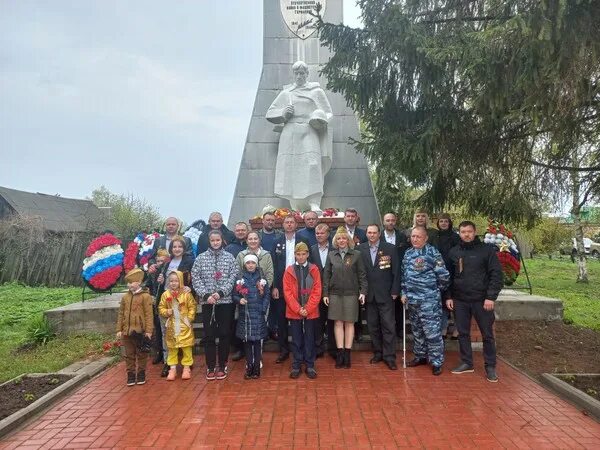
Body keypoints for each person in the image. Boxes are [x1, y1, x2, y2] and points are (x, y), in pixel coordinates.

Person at [266, 60, 333, 212]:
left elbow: (329, 112)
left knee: (313, 164)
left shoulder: (316, 91)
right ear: (293, 74)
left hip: (310, 129)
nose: (299, 76)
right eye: (296, 73)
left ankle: (314, 201)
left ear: (307, 74)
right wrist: (283, 114)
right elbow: (270, 113)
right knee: (290, 165)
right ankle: (294, 204)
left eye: (302, 73)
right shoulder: (286, 93)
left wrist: (320, 118)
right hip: (290, 131)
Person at [446, 221, 503, 382]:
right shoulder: (454, 252)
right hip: (460, 300)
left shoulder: (486, 251)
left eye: (469, 231)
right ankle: (466, 362)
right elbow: (448, 277)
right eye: (463, 232)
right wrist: (449, 296)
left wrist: (491, 297)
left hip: (482, 300)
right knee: (463, 333)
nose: (466, 234)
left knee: (487, 335)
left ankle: (490, 366)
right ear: (459, 233)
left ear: (474, 231)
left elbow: (496, 275)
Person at [401, 226, 450, 376]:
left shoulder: (433, 253)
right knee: (417, 331)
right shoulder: (408, 253)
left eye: (418, 237)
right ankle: (420, 356)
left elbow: (444, 277)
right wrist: (404, 292)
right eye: (413, 236)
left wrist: (432, 292)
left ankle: (436, 362)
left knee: (432, 333)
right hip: (412, 301)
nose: (414, 239)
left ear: (425, 238)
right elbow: (404, 275)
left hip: (428, 301)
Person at [192, 230, 238, 381]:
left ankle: (222, 364)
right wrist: (206, 295)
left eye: (218, 240)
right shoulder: (200, 258)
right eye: (213, 240)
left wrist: (221, 293)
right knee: (209, 335)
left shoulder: (230, 258)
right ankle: (210, 366)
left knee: (224, 333)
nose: (215, 242)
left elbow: (233, 276)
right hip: (208, 302)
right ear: (209, 241)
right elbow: (195, 277)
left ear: (222, 240)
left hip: (224, 302)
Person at [322, 226, 367, 369]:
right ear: (336, 241)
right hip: (335, 294)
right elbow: (326, 276)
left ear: (348, 240)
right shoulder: (331, 255)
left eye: (344, 238)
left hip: (351, 294)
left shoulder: (356, 255)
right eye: (339, 238)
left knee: (349, 323)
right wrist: (325, 294)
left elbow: (362, 275)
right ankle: (339, 353)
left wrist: (363, 291)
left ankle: (347, 354)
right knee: (337, 323)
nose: (342, 240)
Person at [358, 224, 401, 370]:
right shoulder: (360, 249)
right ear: (366, 234)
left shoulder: (390, 248)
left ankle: (389, 356)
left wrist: (395, 290)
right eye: (369, 233)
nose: (371, 235)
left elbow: (396, 271)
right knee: (373, 326)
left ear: (379, 234)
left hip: (386, 294)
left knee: (388, 326)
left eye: (374, 233)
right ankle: (378, 352)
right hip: (369, 295)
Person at [151, 236, 195, 374]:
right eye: (174, 247)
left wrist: (190, 288)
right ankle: (168, 362)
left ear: (184, 248)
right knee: (167, 333)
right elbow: (157, 281)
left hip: (182, 301)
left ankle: (187, 361)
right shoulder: (165, 263)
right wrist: (159, 278)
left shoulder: (189, 261)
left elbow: (194, 277)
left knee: (184, 331)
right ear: (171, 249)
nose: (177, 249)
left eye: (180, 247)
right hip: (167, 299)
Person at [270, 215, 310, 363]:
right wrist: (274, 286)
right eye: (286, 222)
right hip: (281, 286)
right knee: (281, 319)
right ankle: (284, 350)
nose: (289, 224)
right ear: (283, 224)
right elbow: (273, 265)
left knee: (299, 319)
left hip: (300, 285)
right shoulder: (277, 242)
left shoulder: (303, 240)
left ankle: (301, 348)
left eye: (291, 222)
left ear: (296, 224)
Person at [233, 230, 274, 361]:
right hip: (245, 297)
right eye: (250, 239)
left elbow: (269, 274)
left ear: (259, 240)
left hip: (260, 297)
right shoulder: (241, 255)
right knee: (246, 327)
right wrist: (242, 292)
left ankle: (258, 356)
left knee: (260, 328)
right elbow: (238, 273)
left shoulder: (266, 255)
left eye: (255, 238)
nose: (253, 241)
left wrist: (263, 288)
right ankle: (248, 357)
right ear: (246, 240)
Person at [283, 242, 322, 379]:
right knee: (296, 338)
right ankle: (297, 364)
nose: (301, 257)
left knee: (310, 337)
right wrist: (298, 309)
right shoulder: (289, 270)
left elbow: (317, 291)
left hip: (310, 311)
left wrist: (308, 308)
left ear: (308, 254)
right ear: (294, 255)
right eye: (298, 254)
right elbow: (287, 293)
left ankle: (310, 364)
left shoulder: (314, 269)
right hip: (295, 311)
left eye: (303, 254)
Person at [233, 254, 270, 379]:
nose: (250, 265)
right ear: (245, 264)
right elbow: (234, 295)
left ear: (256, 264)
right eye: (248, 263)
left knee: (257, 342)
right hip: (246, 315)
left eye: (252, 263)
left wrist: (263, 309)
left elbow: (266, 295)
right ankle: (249, 366)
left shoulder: (262, 278)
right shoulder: (240, 279)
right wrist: (239, 300)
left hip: (258, 314)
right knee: (247, 342)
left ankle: (256, 368)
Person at [116, 268, 154, 386]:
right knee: (129, 354)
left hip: (140, 331)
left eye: (131, 282)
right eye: (128, 282)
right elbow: (121, 313)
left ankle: (141, 373)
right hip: (127, 331)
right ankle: (130, 374)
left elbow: (149, 314)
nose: (129, 285)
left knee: (141, 353)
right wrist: (119, 329)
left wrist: (148, 330)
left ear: (139, 282)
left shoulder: (145, 296)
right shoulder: (125, 297)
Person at [159, 271, 196, 381]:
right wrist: (166, 311)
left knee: (186, 347)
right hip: (172, 325)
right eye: (171, 281)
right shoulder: (165, 294)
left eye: (176, 281)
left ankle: (186, 367)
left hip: (184, 325)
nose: (173, 283)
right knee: (172, 348)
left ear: (180, 281)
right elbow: (161, 307)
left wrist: (188, 319)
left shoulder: (186, 294)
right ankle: (173, 368)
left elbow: (192, 306)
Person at [380, 212, 410, 339]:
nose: (390, 222)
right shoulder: (378, 235)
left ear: (395, 221)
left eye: (392, 220)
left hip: (398, 271)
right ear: (383, 221)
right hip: (382, 273)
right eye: (388, 220)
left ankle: (399, 329)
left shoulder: (402, 236)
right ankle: (384, 331)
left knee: (398, 303)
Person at [309, 223, 334, 358]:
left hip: (332, 291)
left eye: (322, 233)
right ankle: (318, 348)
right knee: (317, 322)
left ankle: (332, 348)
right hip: (316, 292)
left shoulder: (335, 249)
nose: (319, 235)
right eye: (317, 233)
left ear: (328, 234)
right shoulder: (311, 250)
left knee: (331, 320)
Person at [436, 213, 461, 338]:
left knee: (455, 300)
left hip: (453, 272)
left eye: (446, 221)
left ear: (449, 223)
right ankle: (444, 327)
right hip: (439, 273)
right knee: (442, 301)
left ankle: (457, 328)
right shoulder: (436, 236)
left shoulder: (455, 237)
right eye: (441, 221)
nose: (444, 223)